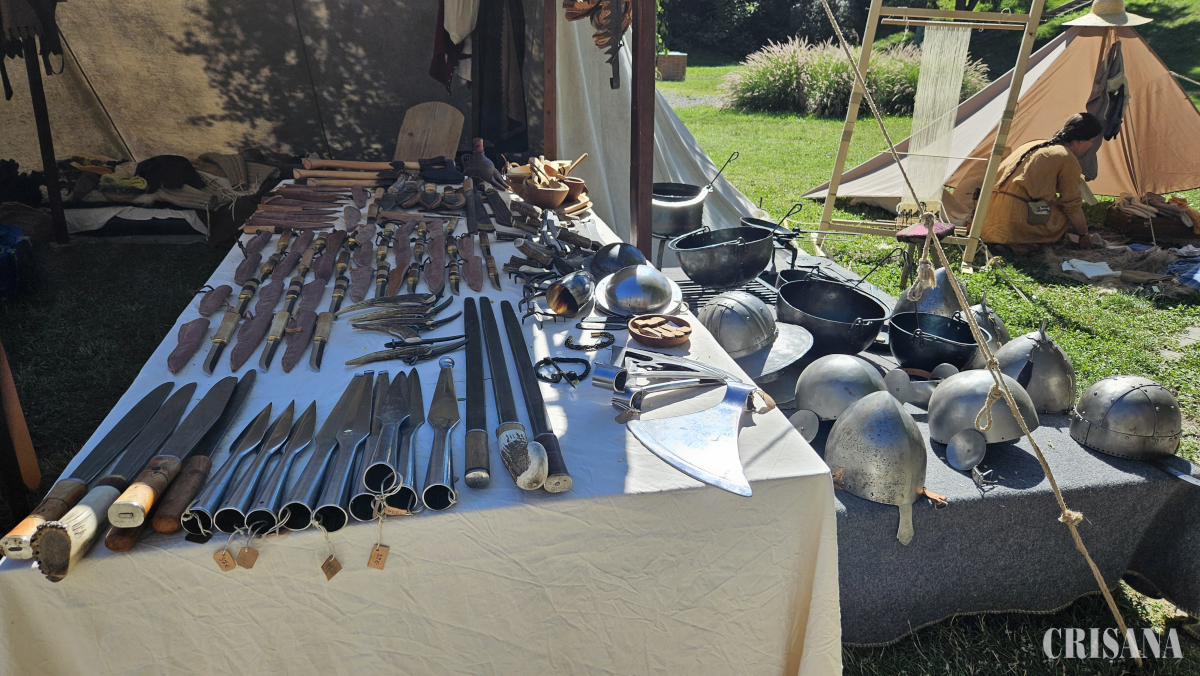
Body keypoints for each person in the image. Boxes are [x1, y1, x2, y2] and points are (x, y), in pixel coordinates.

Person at [981, 113, 1104, 247]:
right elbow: (1071, 205)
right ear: (1081, 140)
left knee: (1052, 204)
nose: (1091, 146)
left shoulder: (1033, 144)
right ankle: (1021, 241)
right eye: (1092, 141)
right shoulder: (1067, 158)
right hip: (1012, 227)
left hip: (985, 222)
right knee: (1063, 214)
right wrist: (1084, 235)